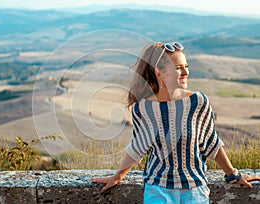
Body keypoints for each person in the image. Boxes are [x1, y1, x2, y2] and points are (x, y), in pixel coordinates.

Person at [91, 41, 260, 203]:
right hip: (158, 190)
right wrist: (117, 176)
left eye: (186, 67)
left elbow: (211, 144)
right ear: (159, 72)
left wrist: (233, 174)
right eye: (179, 68)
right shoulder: (142, 109)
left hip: (195, 190)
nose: (186, 72)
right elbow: (138, 146)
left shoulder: (197, 102)